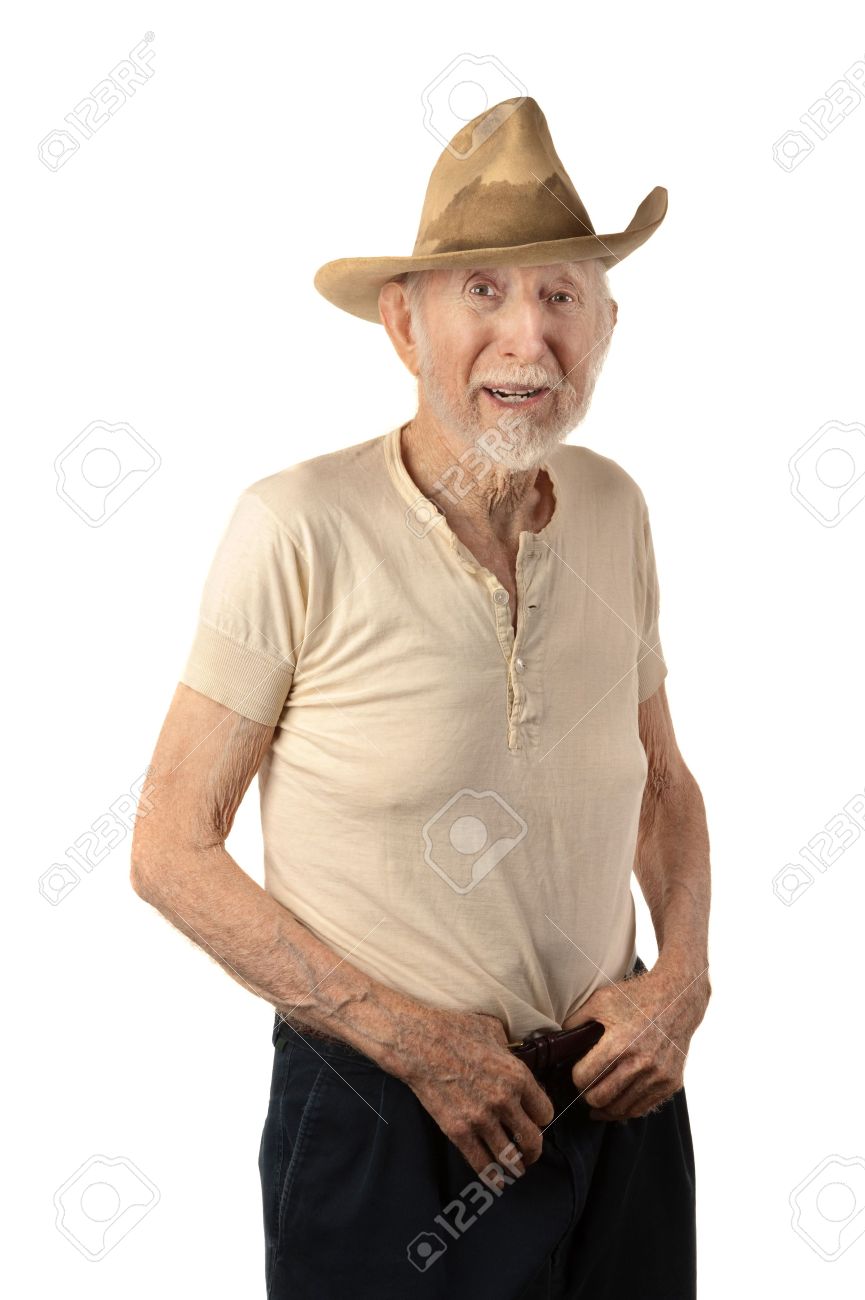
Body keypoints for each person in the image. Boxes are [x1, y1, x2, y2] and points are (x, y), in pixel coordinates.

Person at [130, 96, 711, 1298]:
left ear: (606, 323)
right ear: (403, 322)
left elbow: (662, 783)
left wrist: (678, 984)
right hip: (385, 1113)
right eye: (481, 294)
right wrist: (407, 1037)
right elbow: (168, 846)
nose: (526, 339)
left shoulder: (614, 508)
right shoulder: (294, 525)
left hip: (619, 1094)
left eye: (559, 294)